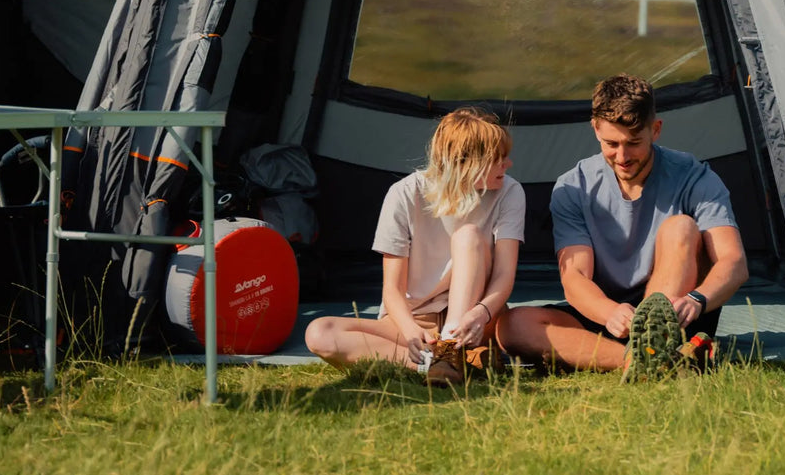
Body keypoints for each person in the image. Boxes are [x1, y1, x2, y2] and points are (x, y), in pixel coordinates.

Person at [496, 74, 747, 376]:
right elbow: (575, 277)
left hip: (678, 313)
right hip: (610, 315)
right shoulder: (573, 187)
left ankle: (657, 344)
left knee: (680, 226)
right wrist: (610, 312)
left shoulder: (694, 176)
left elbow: (733, 261)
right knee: (511, 326)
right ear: (595, 130)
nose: (623, 156)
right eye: (611, 144)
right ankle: (646, 361)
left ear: (655, 130)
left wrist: (697, 299)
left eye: (633, 143)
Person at [305, 107, 524, 383]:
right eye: (499, 159)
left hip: (476, 318)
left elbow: (505, 275)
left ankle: (450, 352)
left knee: (468, 235)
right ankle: (442, 365)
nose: (508, 164)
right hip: (417, 321)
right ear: (466, 163)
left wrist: (481, 314)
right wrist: (409, 331)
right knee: (320, 332)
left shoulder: (510, 192)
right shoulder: (404, 194)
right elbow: (392, 290)